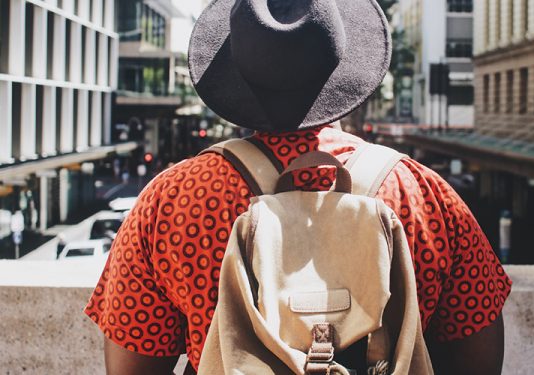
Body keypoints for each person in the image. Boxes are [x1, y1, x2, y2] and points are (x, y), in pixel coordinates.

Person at [85, 0, 512, 374]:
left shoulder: (173, 200)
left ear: (237, 74)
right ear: (344, 68)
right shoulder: (423, 195)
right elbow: (478, 357)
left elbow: (132, 362)